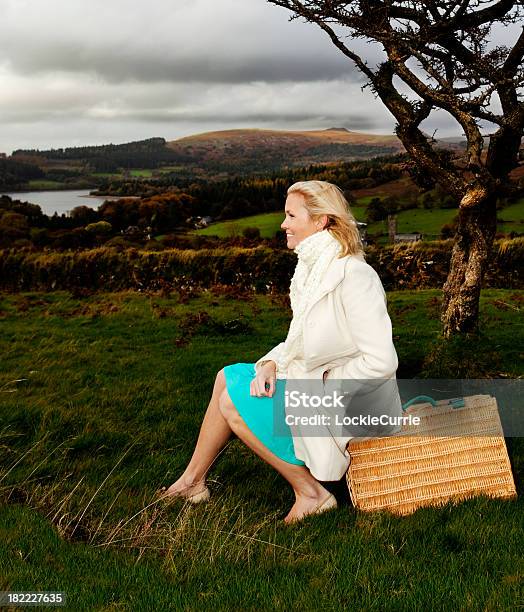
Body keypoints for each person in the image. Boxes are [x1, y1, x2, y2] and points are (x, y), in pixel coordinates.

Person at [157, 180, 401, 523]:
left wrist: (323, 383)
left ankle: (311, 494)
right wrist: (272, 362)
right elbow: (301, 339)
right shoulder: (309, 270)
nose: (283, 224)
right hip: (317, 382)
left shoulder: (354, 275)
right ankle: (192, 482)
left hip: (351, 399)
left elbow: (381, 360)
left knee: (233, 402)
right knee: (227, 377)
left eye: (290, 215)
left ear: (321, 221)